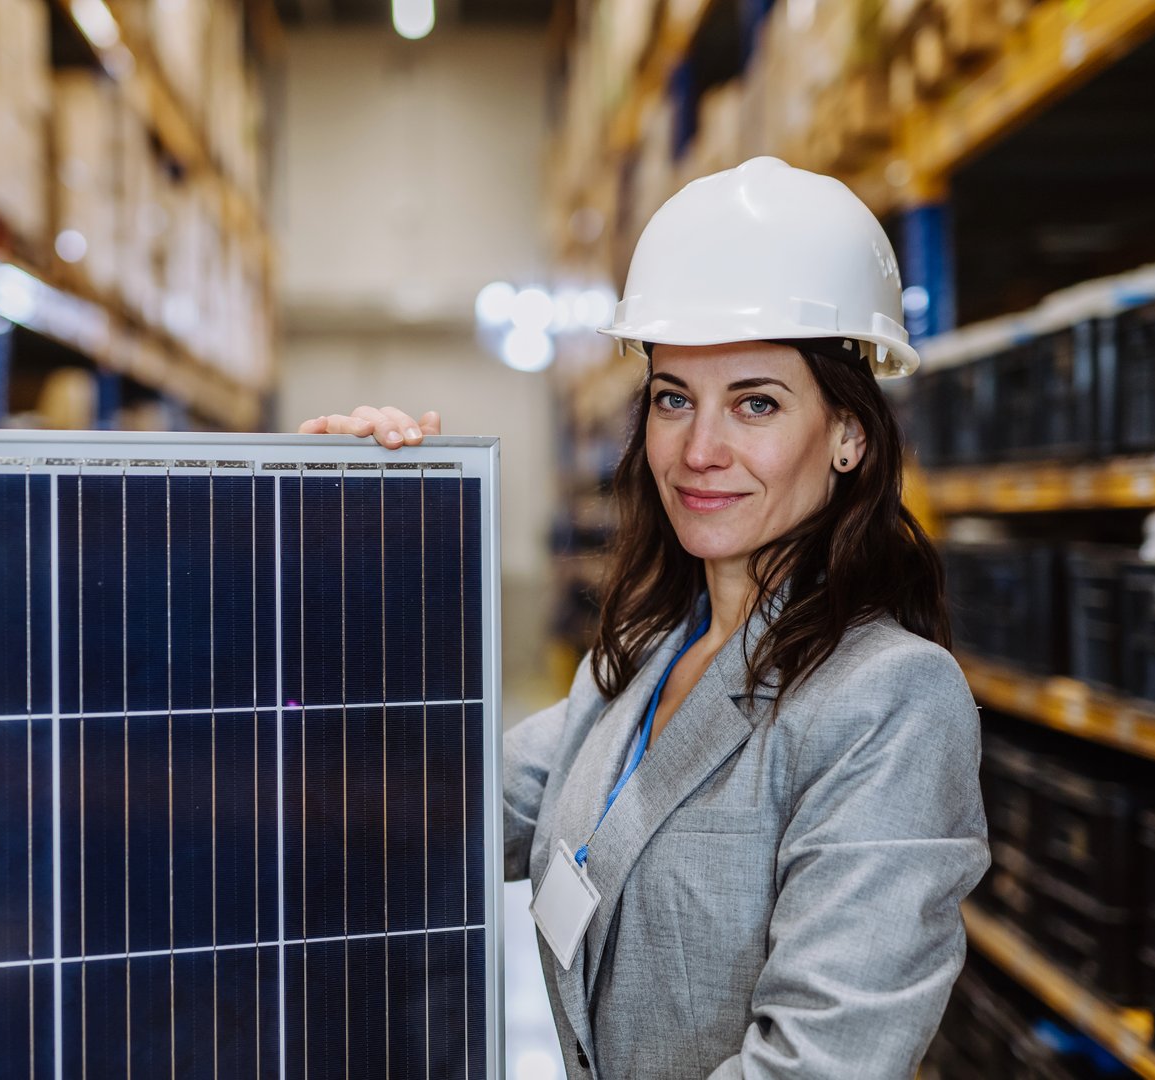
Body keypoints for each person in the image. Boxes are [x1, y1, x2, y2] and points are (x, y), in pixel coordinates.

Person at [300, 156, 989, 1079]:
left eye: (756, 403)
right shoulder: (638, 665)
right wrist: (340, 554)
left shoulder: (890, 697)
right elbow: (406, 809)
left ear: (850, 435)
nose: (700, 450)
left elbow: (823, 1064)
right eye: (674, 400)